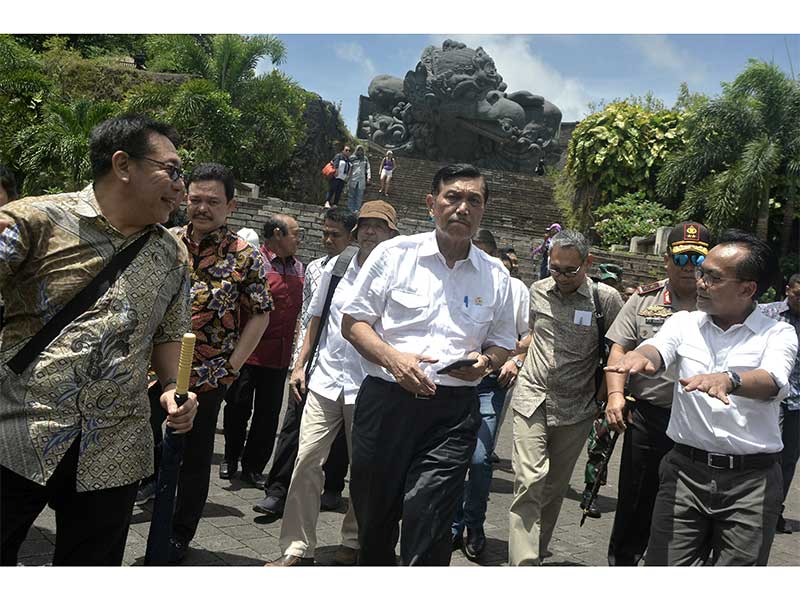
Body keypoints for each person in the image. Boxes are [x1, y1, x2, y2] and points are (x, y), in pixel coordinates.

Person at [0, 114, 198, 566]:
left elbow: (169, 334)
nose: (181, 186)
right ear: (123, 164)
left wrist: (171, 389)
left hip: (115, 447)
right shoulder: (35, 220)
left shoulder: (172, 254)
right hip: (16, 430)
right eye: (172, 169)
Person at [341, 164, 517, 566]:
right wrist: (393, 359)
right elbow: (353, 322)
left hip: (451, 414)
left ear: (484, 210)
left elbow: (504, 342)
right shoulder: (394, 254)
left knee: (430, 519)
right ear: (431, 204)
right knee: (375, 522)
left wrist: (486, 362)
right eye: (452, 197)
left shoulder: (496, 276)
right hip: (386, 403)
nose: (462, 208)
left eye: (474, 200)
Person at [606, 230, 797, 566]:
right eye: (701, 273)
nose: (701, 282)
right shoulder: (684, 322)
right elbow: (658, 347)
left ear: (747, 289)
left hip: (750, 484)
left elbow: (773, 379)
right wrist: (642, 356)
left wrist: (730, 380)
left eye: (712, 276)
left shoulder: (778, 332)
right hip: (684, 475)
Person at [267, 201, 398, 567]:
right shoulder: (338, 268)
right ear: (356, 231)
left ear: (392, 234)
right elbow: (316, 318)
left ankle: (353, 540)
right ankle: (296, 547)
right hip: (325, 378)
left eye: (379, 226)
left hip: (370, 384)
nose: (370, 231)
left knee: (365, 469)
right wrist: (300, 364)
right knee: (306, 458)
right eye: (365, 225)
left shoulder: (399, 276)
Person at [166, 162, 274, 564]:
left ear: (230, 205)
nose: (202, 208)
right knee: (148, 449)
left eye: (213, 201)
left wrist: (232, 367)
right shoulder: (165, 243)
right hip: (152, 371)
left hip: (208, 377)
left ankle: (179, 534)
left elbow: (261, 313)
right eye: (195, 199)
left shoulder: (245, 257)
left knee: (194, 460)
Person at [508, 229, 624, 566]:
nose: (560, 277)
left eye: (569, 271)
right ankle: (524, 565)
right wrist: (517, 358)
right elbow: (532, 336)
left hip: (577, 407)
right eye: (554, 268)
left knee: (553, 488)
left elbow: (618, 348)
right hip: (532, 397)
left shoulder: (605, 299)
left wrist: (611, 394)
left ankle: (538, 550)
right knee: (530, 480)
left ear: (588, 263)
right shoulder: (538, 291)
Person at [603, 222, 710, 565]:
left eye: (698, 258)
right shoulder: (643, 299)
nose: (690, 266)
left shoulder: (719, 304)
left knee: (689, 499)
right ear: (666, 260)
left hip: (700, 419)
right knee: (637, 496)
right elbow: (618, 350)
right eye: (682, 258)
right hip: (650, 415)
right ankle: (624, 561)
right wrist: (615, 395)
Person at [253, 207, 357, 517]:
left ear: (351, 235)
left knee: (339, 435)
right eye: (324, 233)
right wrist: (299, 361)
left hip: (343, 365)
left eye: (335, 234)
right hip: (309, 360)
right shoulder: (313, 268)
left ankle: (333, 487)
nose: (327, 239)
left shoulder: (363, 271)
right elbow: (308, 315)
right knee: (292, 426)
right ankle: (277, 490)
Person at [451, 230, 531, 560]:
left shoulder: (512, 287)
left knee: (480, 458)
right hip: (451, 383)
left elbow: (527, 335)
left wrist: (513, 360)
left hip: (488, 384)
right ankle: (452, 523)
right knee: (451, 456)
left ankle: (474, 524)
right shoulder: (453, 277)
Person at [221, 214, 304, 488]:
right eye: (295, 233)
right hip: (247, 352)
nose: (299, 239)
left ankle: (254, 467)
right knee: (237, 406)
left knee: (268, 416)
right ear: (278, 234)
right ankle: (230, 459)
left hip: (278, 356)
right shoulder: (252, 262)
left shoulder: (300, 268)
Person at [758, 272, 800, 534]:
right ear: (788, 289)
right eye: (798, 294)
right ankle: (755, 508)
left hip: (797, 402)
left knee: (788, 459)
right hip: (769, 396)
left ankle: (775, 511)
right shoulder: (768, 313)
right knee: (763, 453)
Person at [347, 145, 371, 213]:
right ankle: (350, 209)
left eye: (361, 150)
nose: (360, 151)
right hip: (353, 178)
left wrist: (369, 177)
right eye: (358, 150)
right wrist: (347, 178)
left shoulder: (365, 159)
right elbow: (349, 168)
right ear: (356, 150)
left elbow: (368, 168)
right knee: (351, 195)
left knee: (359, 196)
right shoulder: (352, 158)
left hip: (361, 180)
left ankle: (357, 209)